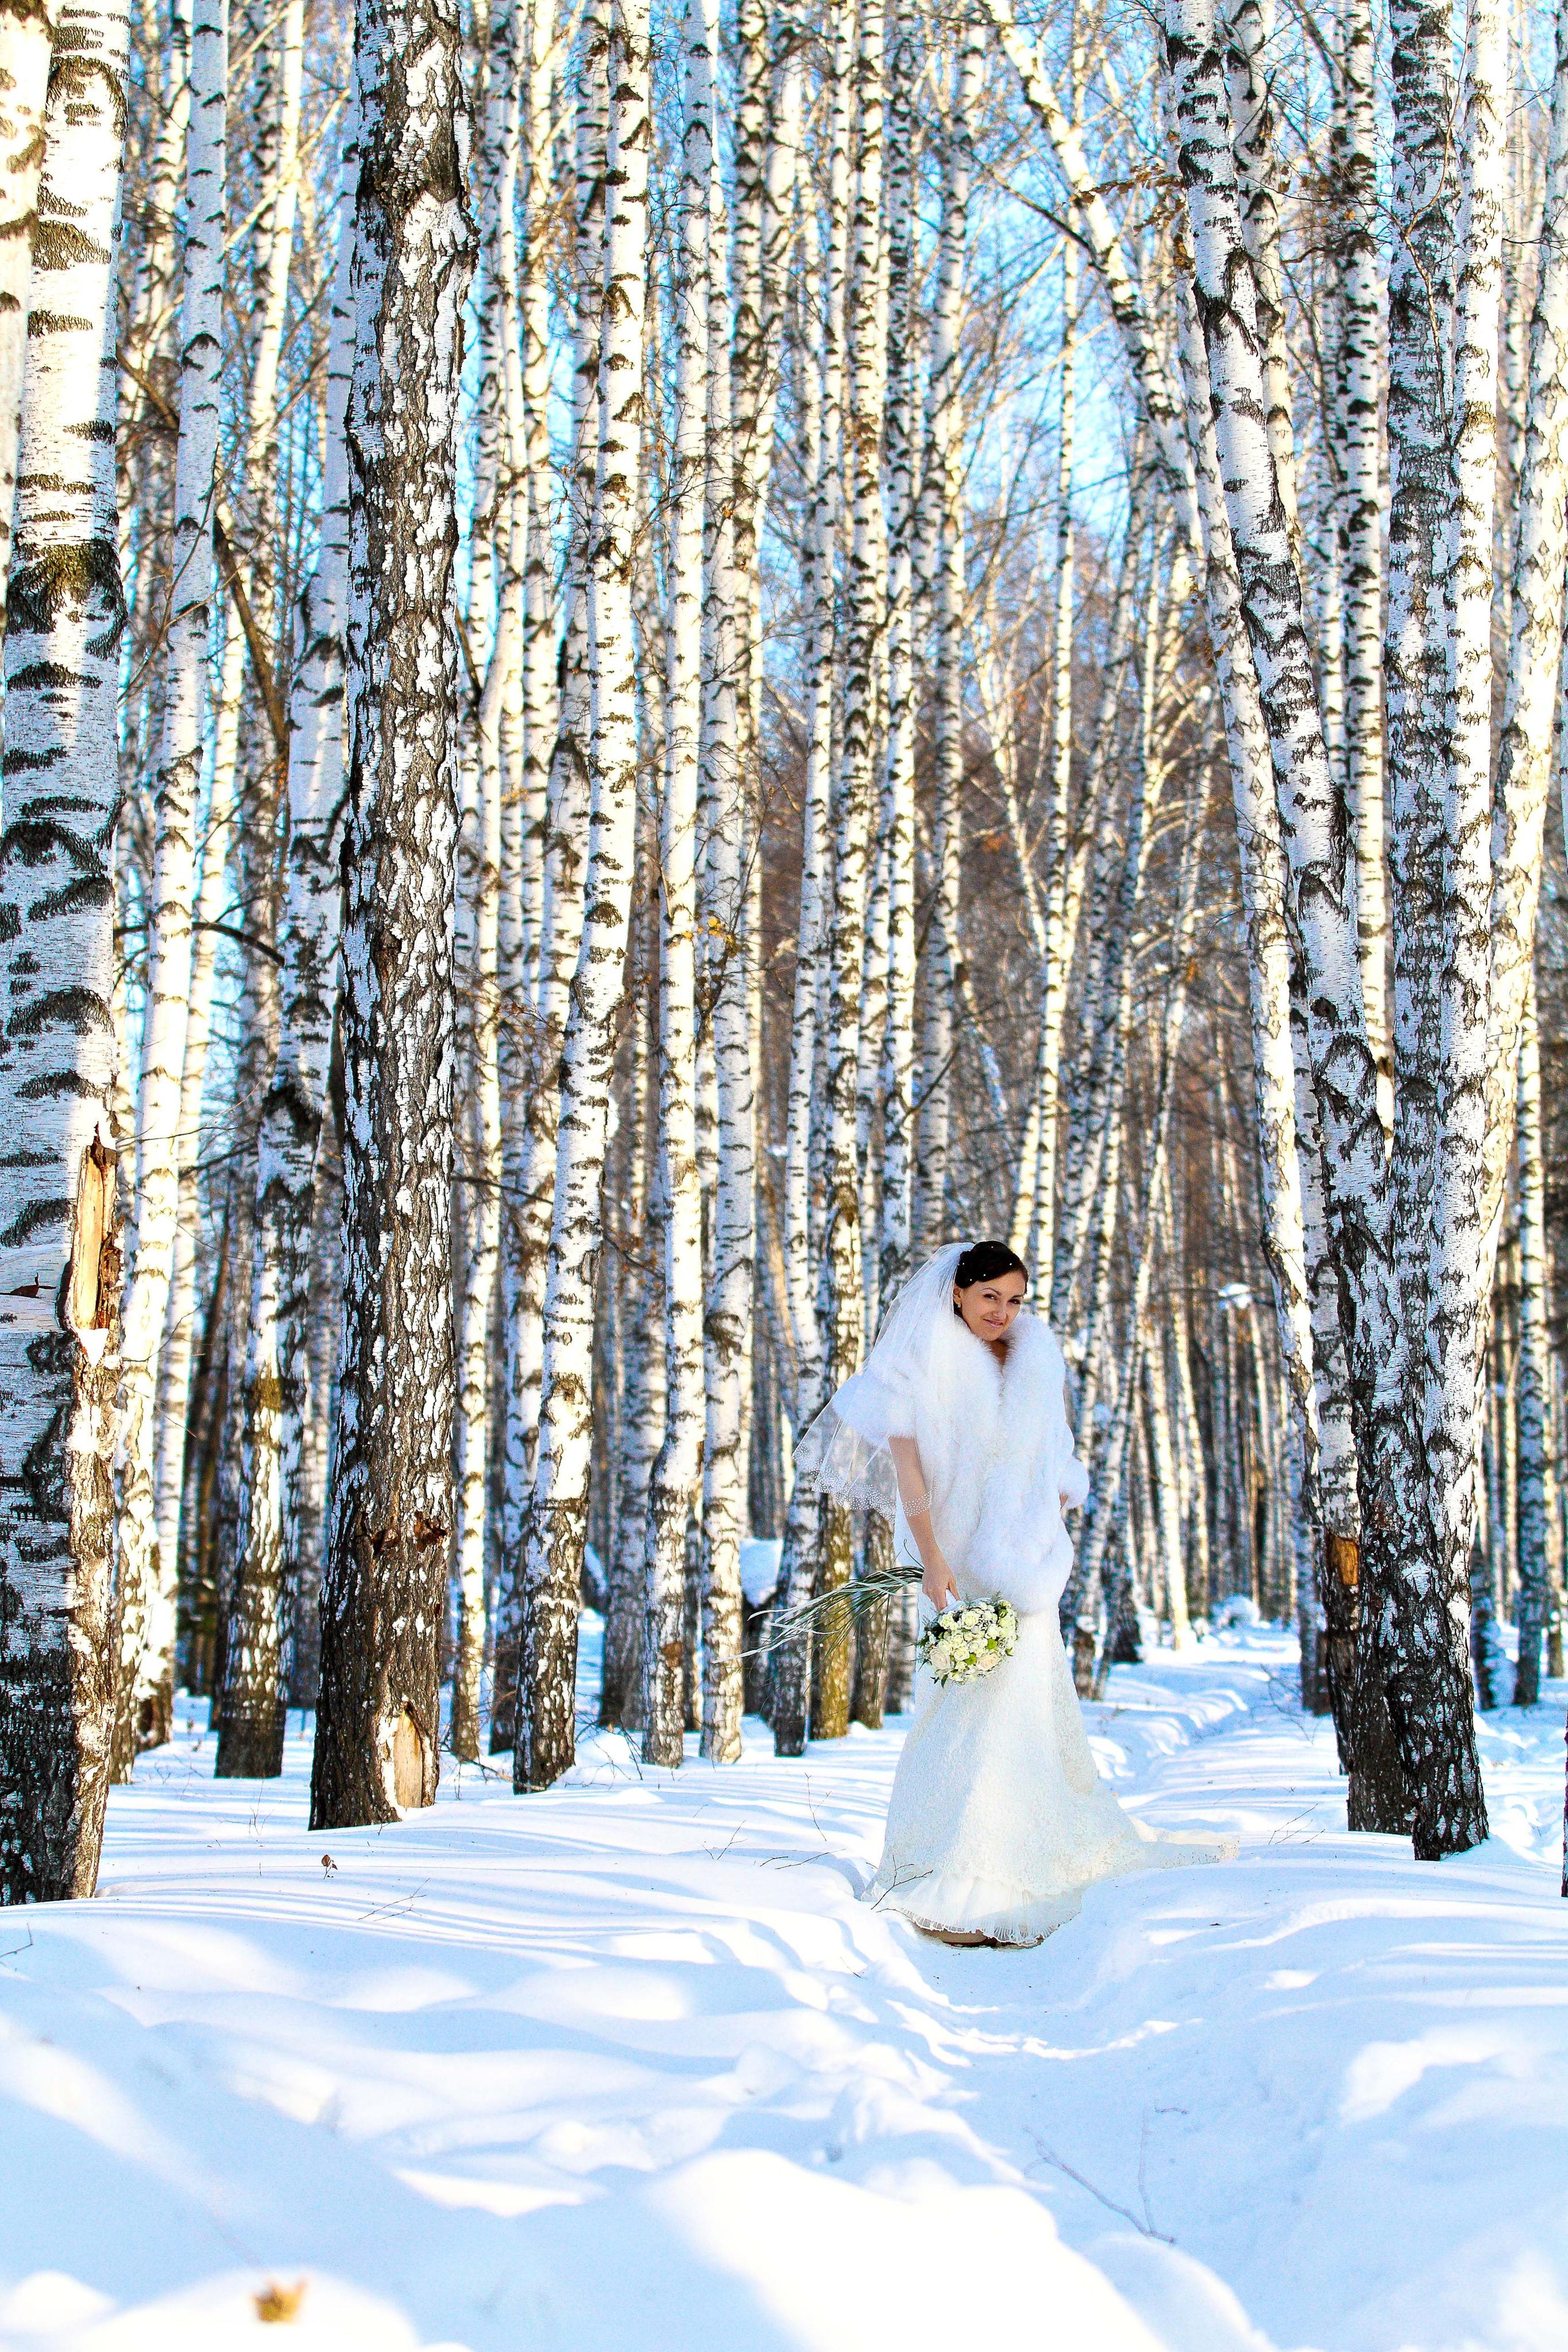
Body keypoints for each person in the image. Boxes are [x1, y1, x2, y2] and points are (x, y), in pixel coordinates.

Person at [797, 1240, 1235, 1948]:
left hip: (1028, 1564)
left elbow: (1054, 1454)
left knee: (1023, 1709)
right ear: (959, 1294)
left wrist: (1047, 1520)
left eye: (1015, 1299)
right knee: (962, 1706)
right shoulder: (917, 1358)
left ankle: (1019, 1869)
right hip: (959, 1561)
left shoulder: (1036, 1356)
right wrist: (934, 1561)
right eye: (989, 1297)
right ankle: (951, 1871)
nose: (1002, 1312)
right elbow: (910, 1479)